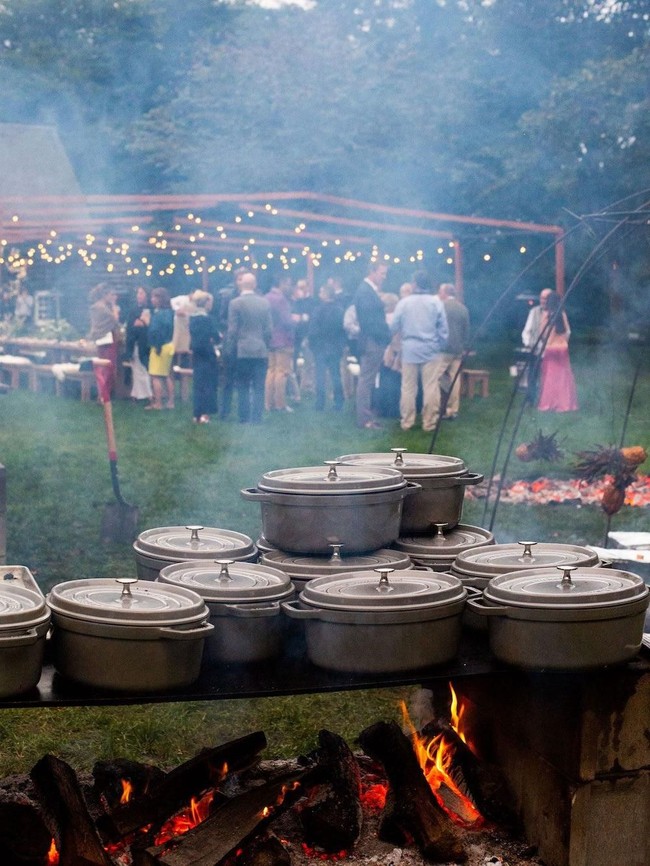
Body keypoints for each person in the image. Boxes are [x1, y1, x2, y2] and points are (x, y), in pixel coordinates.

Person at [390, 270, 449, 432]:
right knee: (430, 386)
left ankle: (407, 421)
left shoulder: (404, 303)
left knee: (408, 387)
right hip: (431, 349)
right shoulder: (436, 302)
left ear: (414, 284)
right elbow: (443, 329)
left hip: (409, 349)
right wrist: (441, 346)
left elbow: (394, 326)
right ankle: (429, 422)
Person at [227, 271, 272, 424]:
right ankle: (257, 417)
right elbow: (268, 330)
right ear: (255, 285)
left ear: (241, 284)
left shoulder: (235, 303)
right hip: (260, 349)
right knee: (259, 386)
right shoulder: (264, 303)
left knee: (243, 385)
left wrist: (229, 348)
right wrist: (266, 343)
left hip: (243, 350)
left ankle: (244, 417)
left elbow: (232, 330)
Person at [353, 261, 390, 429]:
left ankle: (366, 415)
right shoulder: (365, 291)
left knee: (367, 379)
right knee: (366, 380)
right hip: (372, 341)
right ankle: (365, 419)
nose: (384, 277)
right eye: (382, 273)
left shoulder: (366, 291)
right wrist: (384, 336)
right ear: (372, 272)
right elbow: (370, 322)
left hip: (372, 340)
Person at [216, 266, 250, 419]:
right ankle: (225, 412)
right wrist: (232, 327)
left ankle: (243, 413)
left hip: (246, 342)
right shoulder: (227, 295)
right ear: (236, 280)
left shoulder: (253, 296)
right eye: (240, 278)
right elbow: (221, 318)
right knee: (228, 379)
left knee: (244, 379)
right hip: (231, 342)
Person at [537, 291, 578, 412]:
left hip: (551, 348)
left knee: (550, 376)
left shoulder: (546, 315)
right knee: (563, 376)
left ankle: (549, 403)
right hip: (562, 348)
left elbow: (542, 333)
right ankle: (565, 404)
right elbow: (568, 331)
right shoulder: (562, 314)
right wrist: (563, 342)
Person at [308, 281, 346, 412]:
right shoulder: (340, 310)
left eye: (321, 291)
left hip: (320, 347)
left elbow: (312, 331)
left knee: (320, 376)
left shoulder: (318, 310)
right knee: (336, 375)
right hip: (335, 347)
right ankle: (339, 402)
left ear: (326, 294)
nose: (319, 294)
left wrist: (313, 345)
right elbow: (343, 329)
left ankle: (320, 403)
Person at [265, 274, 297, 413]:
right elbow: (287, 321)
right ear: (281, 282)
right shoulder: (281, 300)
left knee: (271, 371)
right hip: (283, 339)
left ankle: (268, 403)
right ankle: (280, 404)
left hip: (270, 339)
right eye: (288, 283)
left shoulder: (266, 297)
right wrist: (296, 319)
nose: (290, 287)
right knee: (282, 372)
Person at [438, 282, 470, 420]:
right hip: (458, 349)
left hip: (443, 350)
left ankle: (436, 408)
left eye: (440, 292)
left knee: (434, 377)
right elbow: (466, 330)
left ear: (445, 293)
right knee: (455, 379)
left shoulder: (441, 307)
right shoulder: (463, 308)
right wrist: (464, 346)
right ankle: (453, 410)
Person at [189, 290, 220, 423]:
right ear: (206, 303)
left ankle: (197, 413)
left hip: (196, 353)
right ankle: (206, 413)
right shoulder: (208, 319)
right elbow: (215, 336)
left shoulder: (192, 319)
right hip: (207, 353)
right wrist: (217, 339)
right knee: (208, 384)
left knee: (198, 383)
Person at [88, 282, 120, 399]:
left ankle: (102, 393)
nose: (114, 297)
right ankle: (103, 395)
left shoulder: (97, 307)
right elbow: (114, 320)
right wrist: (115, 307)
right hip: (107, 340)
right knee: (108, 367)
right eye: (112, 295)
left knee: (102, 367)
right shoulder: (102, 308)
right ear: (105, 295)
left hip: (101, 340)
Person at [521, 287, 553, 404]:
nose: (542, 300)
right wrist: (528, 343)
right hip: (535, 350)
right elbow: (526, 331)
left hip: (550, 351)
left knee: (549, 377)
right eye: (541, 298)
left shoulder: (556, 312)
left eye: (545, 298)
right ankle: (530, 399)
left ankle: (547, 399)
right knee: (532, 376)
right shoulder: (534, 312)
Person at [146, 287, 176, 410]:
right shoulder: (170, 312)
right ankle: (170, 402)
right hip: (169, 344)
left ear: (160, 299)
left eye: (155, 297)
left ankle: (158, 403)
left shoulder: (158, 314)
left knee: (155, 376)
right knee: (167, 375)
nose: (152, 299)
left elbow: (155, 331)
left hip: (159, 346)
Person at [124, 286, 152, 402]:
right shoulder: (134, 310)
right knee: (136, 370)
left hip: (144, 343)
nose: (138, 295)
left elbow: (144, 326)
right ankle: (136, 395)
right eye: (138, 293)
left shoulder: (150, 309)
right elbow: (132, 326)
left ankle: (148, 395)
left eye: (141, 293)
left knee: (142, 369)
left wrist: (142, 324)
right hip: (134, 342)